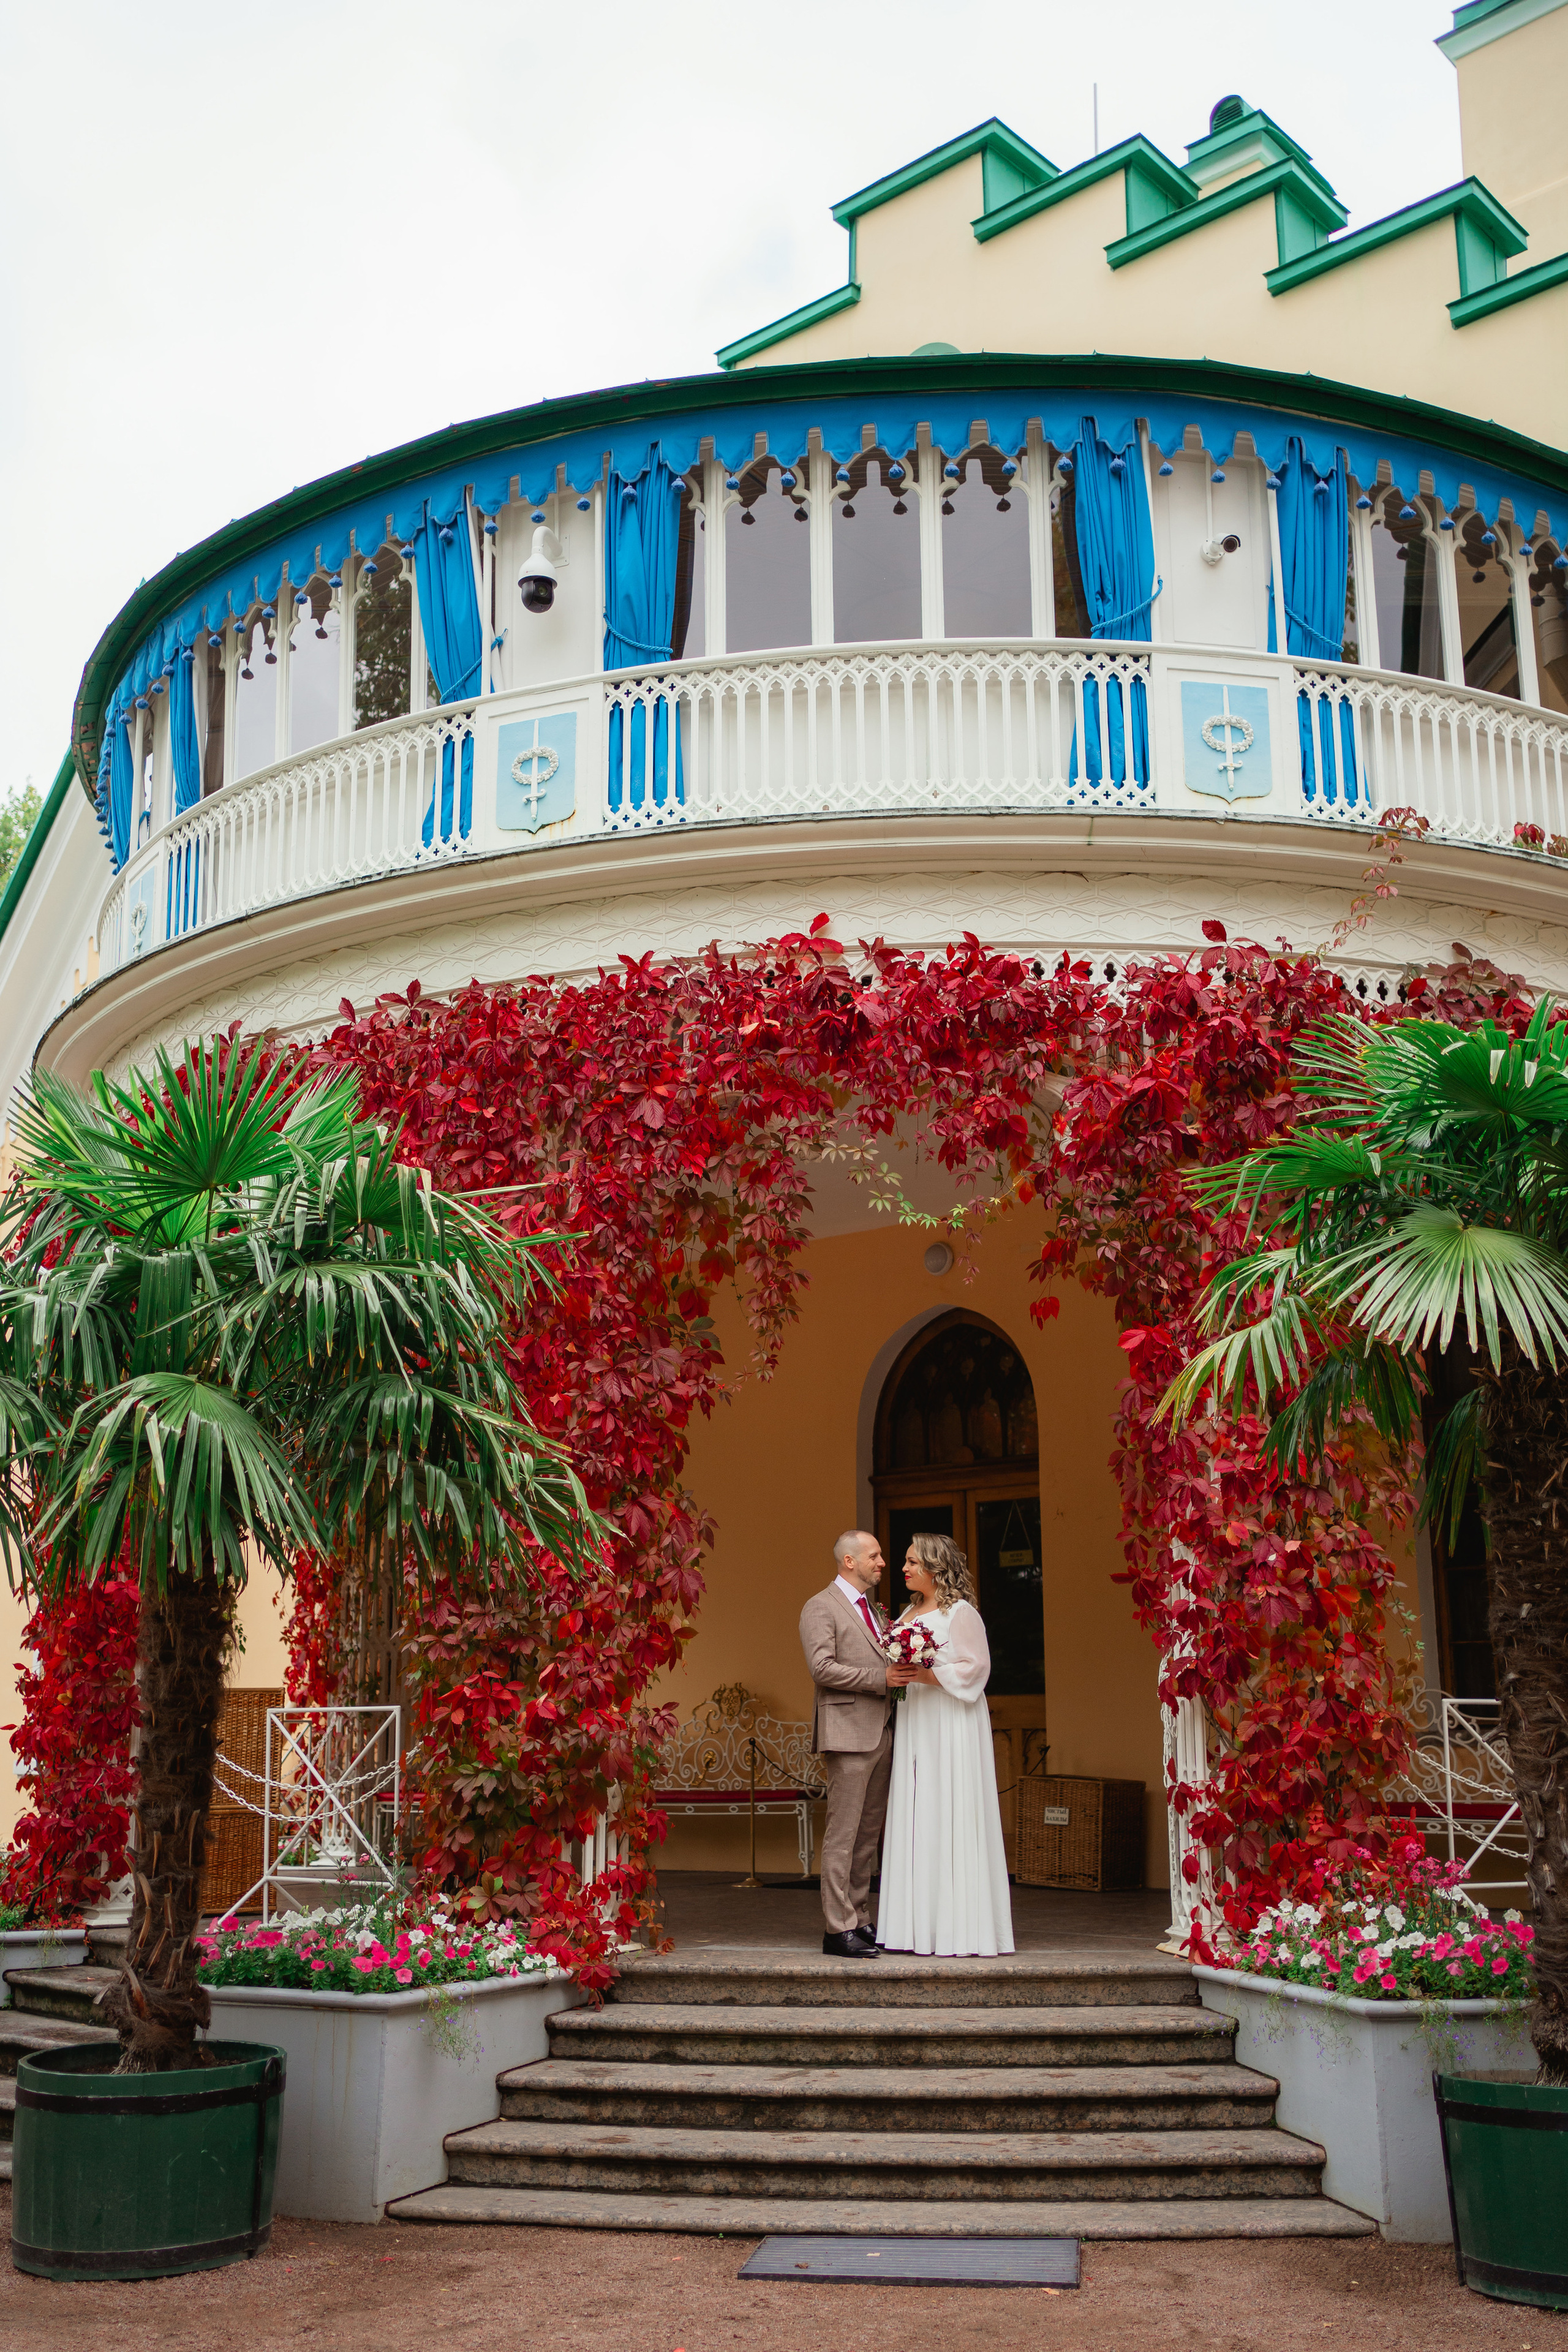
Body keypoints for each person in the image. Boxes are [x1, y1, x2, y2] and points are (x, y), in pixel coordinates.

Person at [878, 1531, 1015, 1956]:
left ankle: (960, 1928)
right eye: (904, 1561)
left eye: (912, 1562)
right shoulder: (908, 1613)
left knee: (950, 1808)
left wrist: (928, 1675)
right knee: (919, 1812)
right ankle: (915, 1927)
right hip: (917, 1718)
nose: (904, 1569)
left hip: (951, 1721)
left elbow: (977, 1668)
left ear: (936, 1568)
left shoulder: (961, 1613)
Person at [798, 1530, 893, 1958]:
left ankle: (859, 1917)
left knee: (868, 1835)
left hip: (882, 1730)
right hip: (848, 1734)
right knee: (843, 1834)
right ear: (849, 1560)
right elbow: (822, 1669)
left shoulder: (873, 1610)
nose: (882, 1562)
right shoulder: (820, 1606)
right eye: (874, 1555)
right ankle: (837, 1929)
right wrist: (881, 1680)